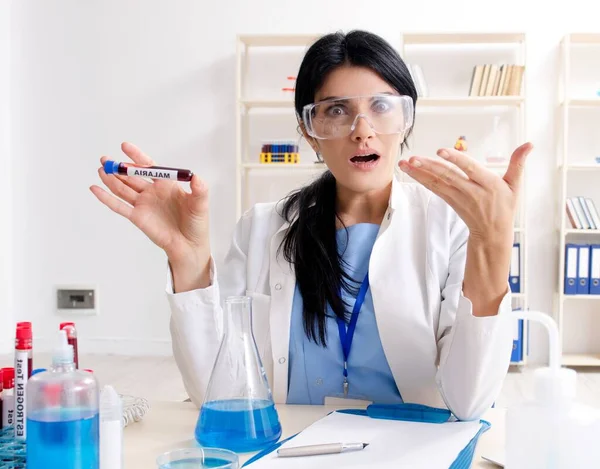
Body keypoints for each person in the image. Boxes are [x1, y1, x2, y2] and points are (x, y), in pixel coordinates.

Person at [90, 30, 533, 421]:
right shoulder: (262, 229)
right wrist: (187, 260)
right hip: (289, 448)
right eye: (337, 110)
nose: (362, 131)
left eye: (381, 106)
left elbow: (469, 403)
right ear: (309, 130)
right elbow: (215, 397)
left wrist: (492, 243)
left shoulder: (450, 228)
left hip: (412, 449)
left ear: (406, 117)